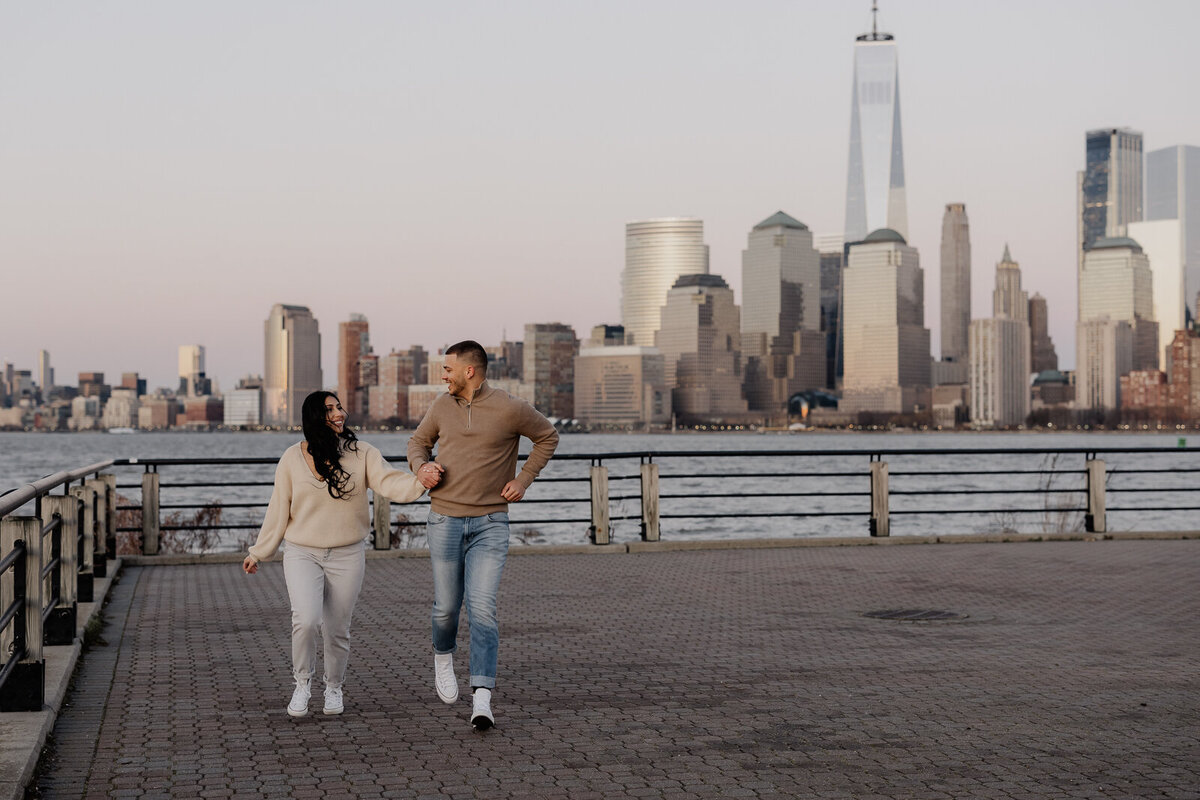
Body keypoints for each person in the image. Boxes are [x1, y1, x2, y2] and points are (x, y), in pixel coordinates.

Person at [243, 391, 440, 718]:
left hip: (348, 555)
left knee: (337, 629)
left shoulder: (363, 453)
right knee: (305, 620)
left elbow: (390, 483)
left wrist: (421, 481)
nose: (339, 413)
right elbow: (278, 510)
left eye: (339, 407)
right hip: (302, 552)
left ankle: (333, 687)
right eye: (329, 409)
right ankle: (302, 683)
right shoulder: (291, 458)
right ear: (314, 417)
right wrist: (259, 552)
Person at [408, 339, 558, 730]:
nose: (443, 375)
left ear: (469, 371)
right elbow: (417, 444)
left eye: (447, 369)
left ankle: (482, 698)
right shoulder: (442, 407)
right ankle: (443, 657)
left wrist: (524, 479)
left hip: (490, 524)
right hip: (444, 521)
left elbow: (548, 437)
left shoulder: (510, 407)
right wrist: (421, 469)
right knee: (445, 609)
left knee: (483, 609)